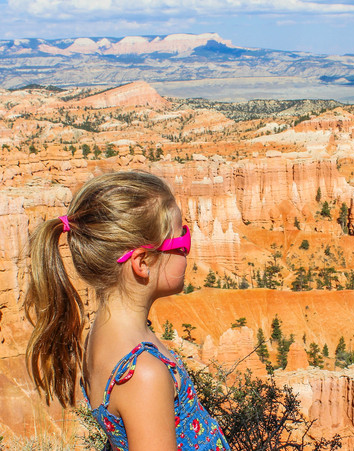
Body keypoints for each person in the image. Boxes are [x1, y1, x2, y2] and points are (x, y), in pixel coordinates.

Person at [24, 171, 229, 450]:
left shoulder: (104, 337)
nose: (187, 250)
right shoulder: (143, 375)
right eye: (181, 240)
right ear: (142, 262)